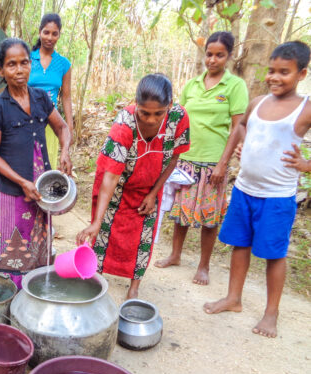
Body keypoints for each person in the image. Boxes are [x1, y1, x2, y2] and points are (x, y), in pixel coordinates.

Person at [203, 41, 311, 338]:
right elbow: (241, 127)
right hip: (244, 190)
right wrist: (238, 148)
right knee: (240, 244)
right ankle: (233, 298)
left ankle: (271, 313)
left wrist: (305, 164)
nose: (275, 77)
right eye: (271, 71)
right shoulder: (258, 102)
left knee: (274, 255)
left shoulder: (305, 109)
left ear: (301, 74)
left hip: (277, 197)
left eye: (284, 72)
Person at [77, 74, 190, 299]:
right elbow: (110, 178)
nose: (150, 120)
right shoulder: (124, 124)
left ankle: (134, 287)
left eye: (158, 113)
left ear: (169, 104)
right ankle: (94, 280)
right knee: (104, 233)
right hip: (117, 182)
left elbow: (174, 159)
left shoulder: (178, 118)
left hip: (149, 186)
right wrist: (97, 221)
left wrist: (153, 194)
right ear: (135, 104)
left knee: (143, 237)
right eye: (144, 113)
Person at [156, 32, 249, 285]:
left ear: (228, 56)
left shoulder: (234, 86)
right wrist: (169, 152)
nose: (213, 60)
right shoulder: (193, 84)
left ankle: (204, 266)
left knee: (209, 216)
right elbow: (178, 118)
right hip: (186, 158)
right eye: (209, 54)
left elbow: (238, 127)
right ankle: (175, 255)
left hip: (212, 163)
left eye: (219, 55)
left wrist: (223, 163)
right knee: (181, 211)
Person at [0, 38, 72, 288]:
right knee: (12, 248)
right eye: (11, 65)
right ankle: (9, 298)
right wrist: (22, 182)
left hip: (40, 189)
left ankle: (33, 294)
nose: (19, 70)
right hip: (12, 190)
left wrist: (65, 150)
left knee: (39, 242)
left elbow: (62, 127)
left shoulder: (41, 97)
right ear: (1, 70)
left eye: (24, 63)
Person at [28, 13, 73, 170]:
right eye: (46, 32)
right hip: (26, 119)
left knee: (47, 165)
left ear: (59, 34)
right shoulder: (27, 58)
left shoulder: (63, 64)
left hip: (51, 121)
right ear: (40, 32)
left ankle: (43, 194)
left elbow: (66, 98)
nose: (50, 37)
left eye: (54, 33)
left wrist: (69, 127)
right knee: (27, 164)